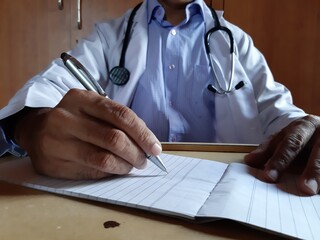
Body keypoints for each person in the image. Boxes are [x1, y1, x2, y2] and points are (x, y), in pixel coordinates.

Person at [0, 0, 319, 195]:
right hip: (127, 193)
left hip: (225, 190)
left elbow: (279, 110)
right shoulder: (109, 37)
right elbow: (48, 90)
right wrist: (31, 127)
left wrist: (304, 129)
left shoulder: (236, 42)